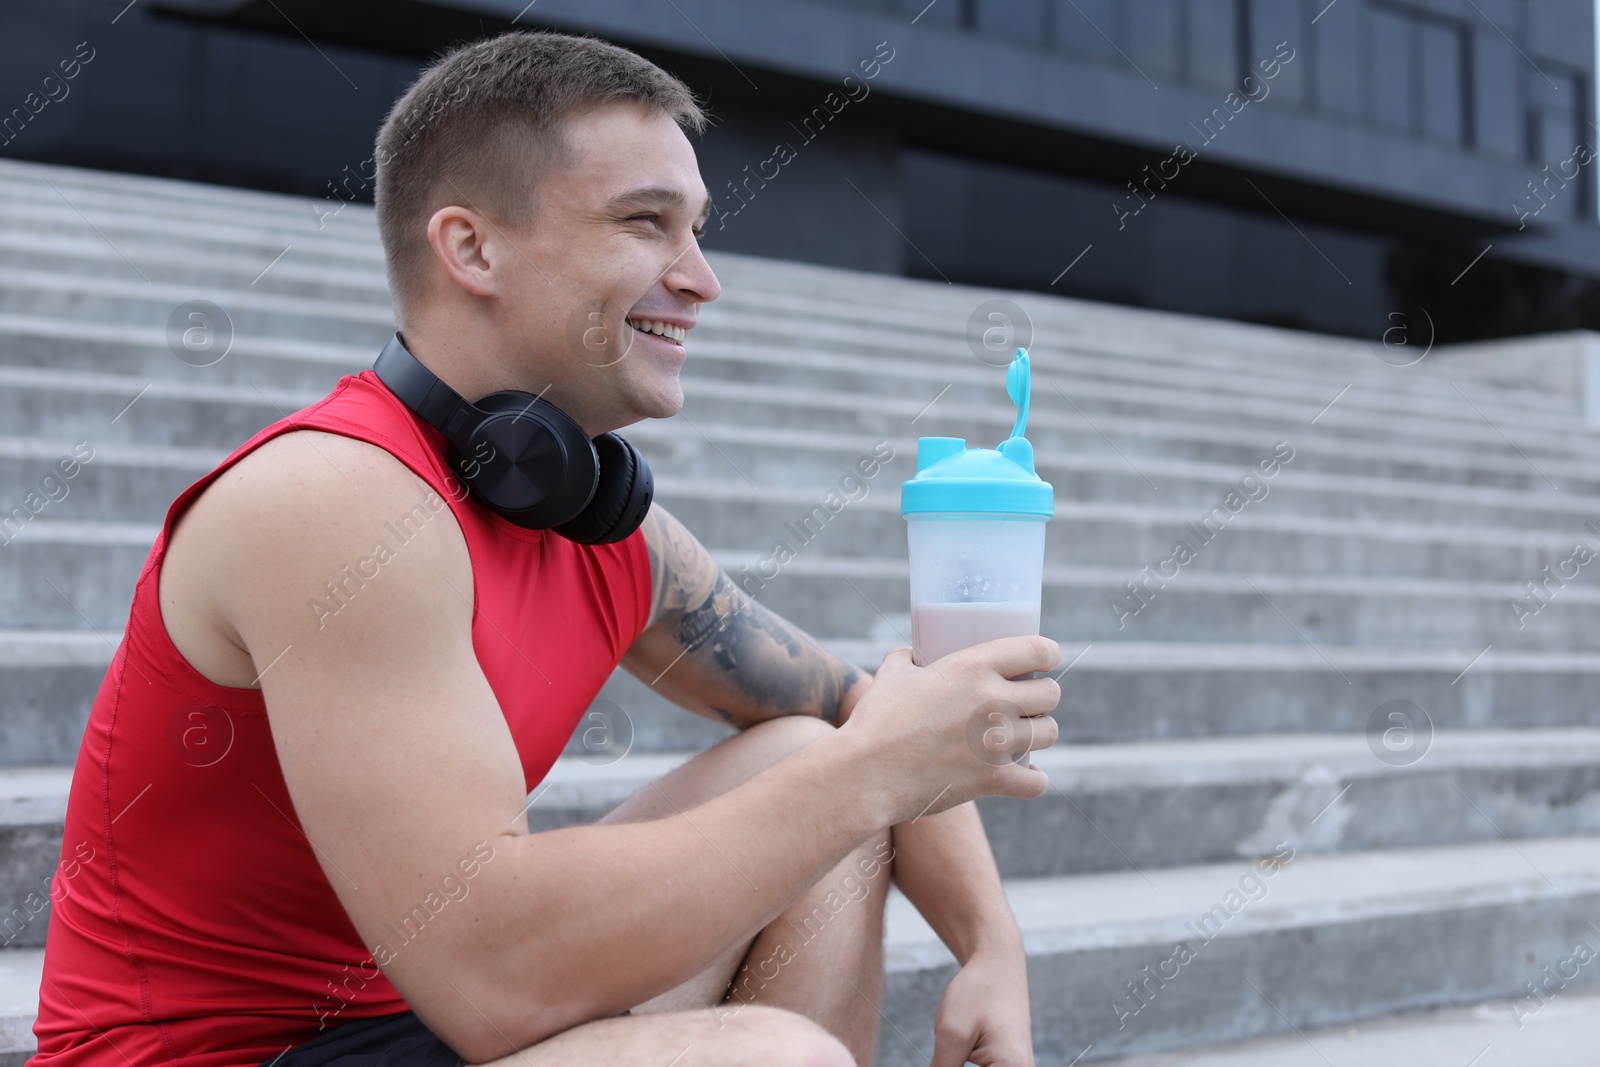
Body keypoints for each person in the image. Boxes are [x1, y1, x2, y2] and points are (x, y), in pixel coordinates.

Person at [31, 30, 1060, 1067]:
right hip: (230, 1053)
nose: (702, 279)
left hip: (416, 1025)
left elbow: (854, 710)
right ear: (471, 248)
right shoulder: (333, 501)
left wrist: (990, 942)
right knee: (769, 1047)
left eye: (696, 230)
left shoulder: (602, 527)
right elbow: (492, 979)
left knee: (805, 755)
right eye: (647, 224)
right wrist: (872, 769)